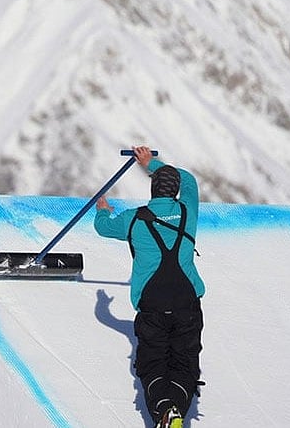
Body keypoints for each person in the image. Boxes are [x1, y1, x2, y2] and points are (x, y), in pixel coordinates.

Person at [94, 146, 205, 428]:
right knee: (185, 361)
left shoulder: (134, 218)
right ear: (175, 191)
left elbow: (104, 228)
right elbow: (189, 180)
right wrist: (151, 163)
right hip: (187, 301)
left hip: (152, 304)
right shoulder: (187, 212)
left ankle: (163, 410)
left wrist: (103, 211)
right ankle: (175, 411)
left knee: (152, 362)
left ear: (153, 190)